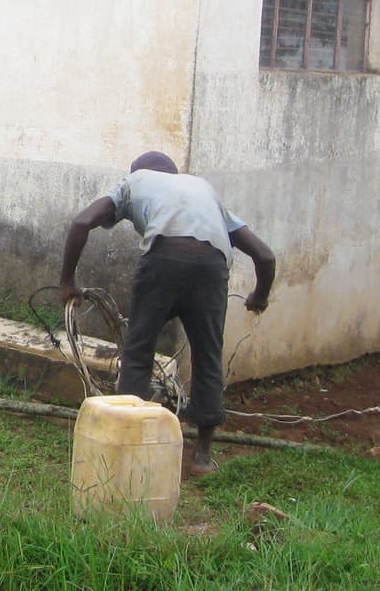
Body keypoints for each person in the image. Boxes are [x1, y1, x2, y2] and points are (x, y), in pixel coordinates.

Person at [58, 151, 276, 473]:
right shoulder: (204, 189)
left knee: (139, 351)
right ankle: (202, 455)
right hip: (212, 267)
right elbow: (265, 256)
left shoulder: (134, 181)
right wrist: (259, 296)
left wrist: (67, 282)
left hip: (164, 258)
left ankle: (130, 445)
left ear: (137, 171)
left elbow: (81, 222)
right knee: (208, 355)